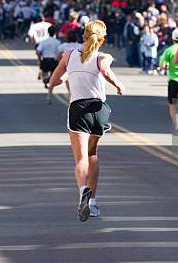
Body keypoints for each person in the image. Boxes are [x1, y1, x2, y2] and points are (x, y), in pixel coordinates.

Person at [48, 20, 125, 222]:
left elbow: (53, 81)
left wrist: (66, 76)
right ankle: (93, 202)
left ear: (83, 36)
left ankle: (83, 190)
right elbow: (105, 70)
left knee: (80, 158)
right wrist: (118, 85)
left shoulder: (69, 56)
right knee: (92, 154)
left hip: (78, 108)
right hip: (99, 109)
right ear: (102, 39)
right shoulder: (103, 56)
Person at [159, 29, 178, 135]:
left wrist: (165, 66)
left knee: (172, 105)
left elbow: (162, 65)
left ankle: (177, 126)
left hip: (173, 81)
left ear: (173, 38)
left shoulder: (168, 50)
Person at [36, 26, 61, 103]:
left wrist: (40, 59)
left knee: (44, 76)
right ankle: (49, 95)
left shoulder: (43, 41)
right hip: (54, 61)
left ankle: (46, 80)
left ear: (48, 32)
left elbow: (38, 51)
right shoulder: (58, 42)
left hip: (46, 60)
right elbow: (60, 52)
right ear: (55, 33)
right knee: (52, 79)